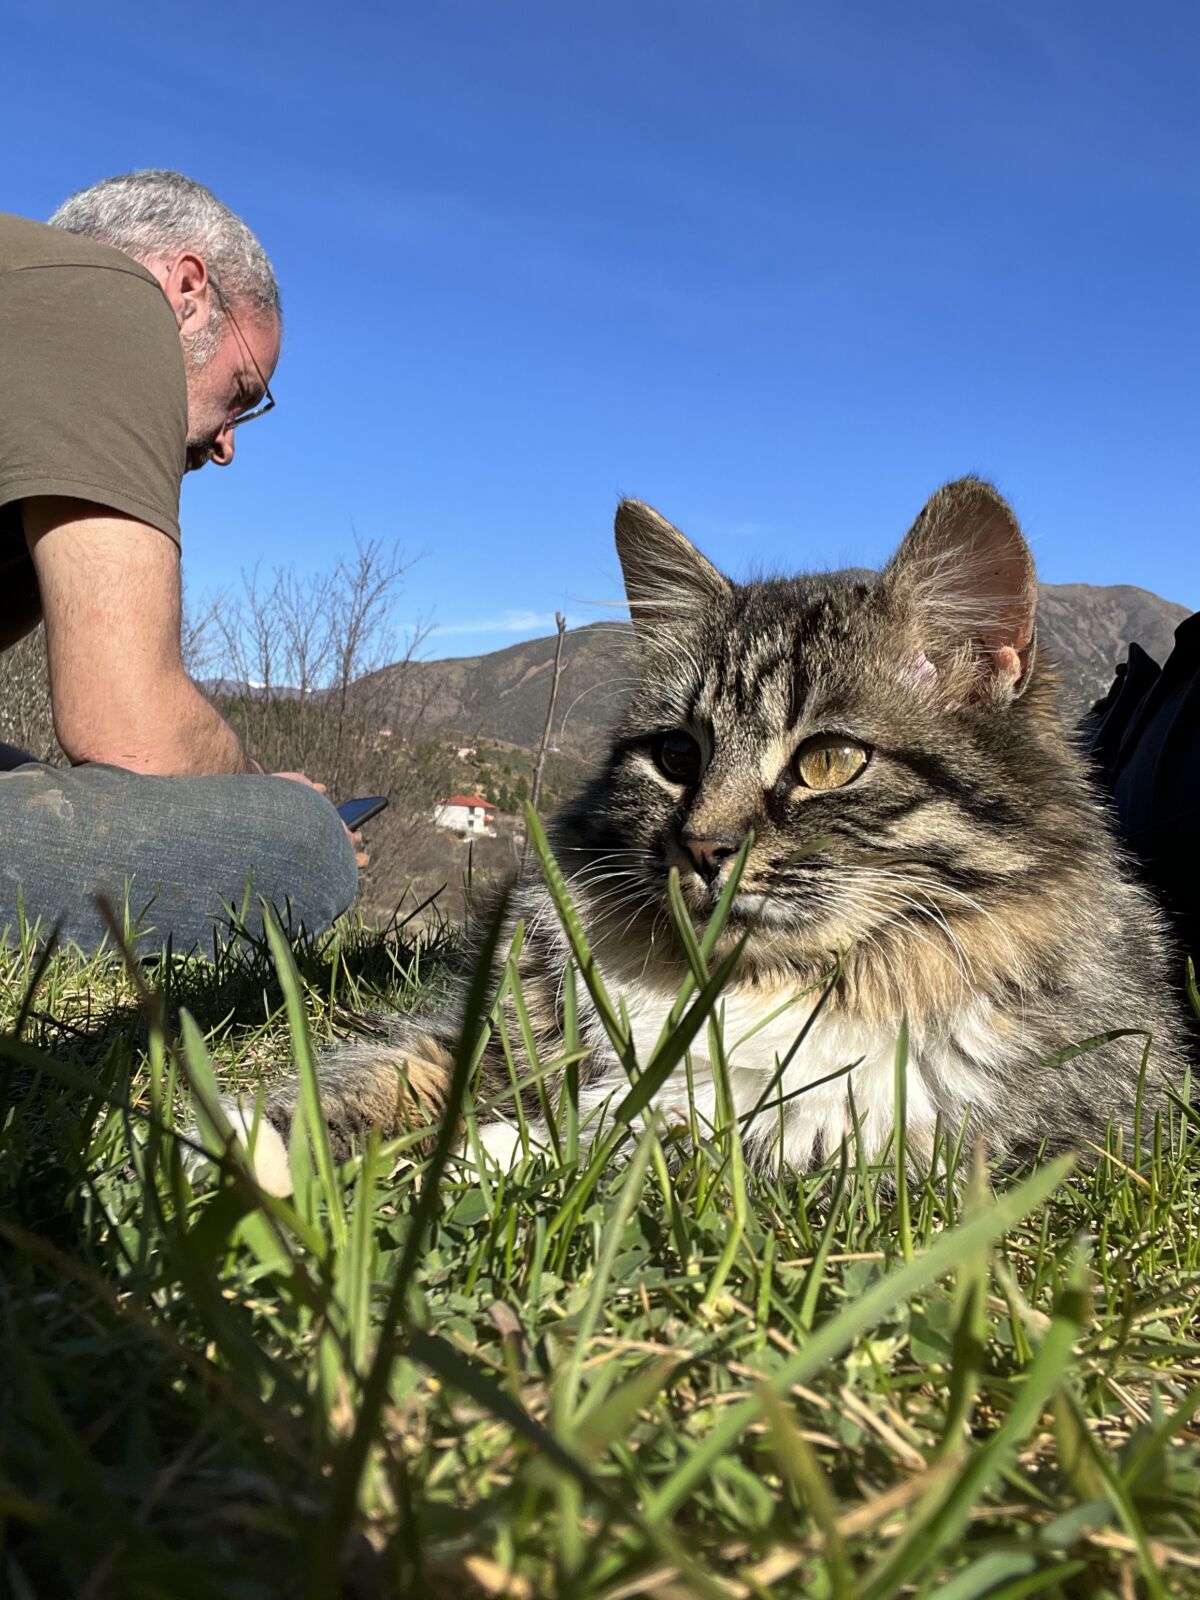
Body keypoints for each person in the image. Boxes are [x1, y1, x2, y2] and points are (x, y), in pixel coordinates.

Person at [0, 170, 357, 953]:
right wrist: (260, 792)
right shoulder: (115, 298)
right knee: (303, 842)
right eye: (241, 393)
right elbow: (131, 731)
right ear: (188, 291)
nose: (227, 445)